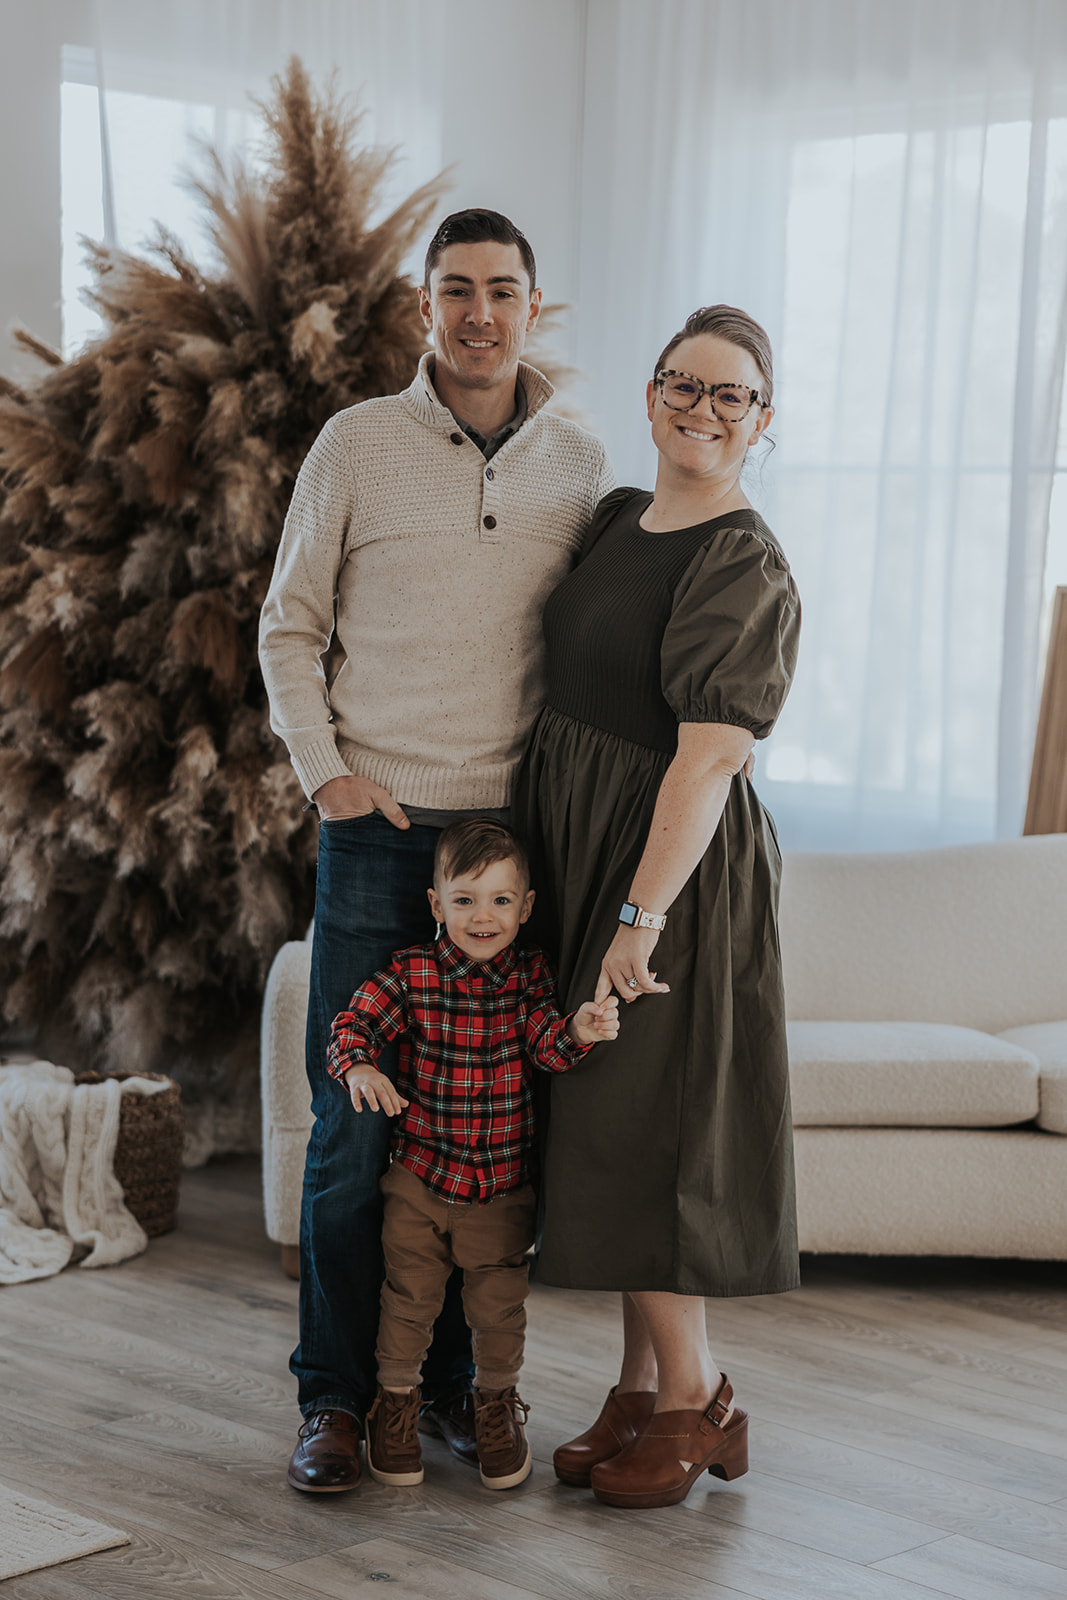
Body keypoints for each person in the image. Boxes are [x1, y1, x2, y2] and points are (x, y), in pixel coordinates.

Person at [258, 209, 615, 1493]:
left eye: (501, 291)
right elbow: (286, 626)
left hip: (508, 857)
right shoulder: (354, 444)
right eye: (454, 290)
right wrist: (329, 778)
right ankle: (337, 1404)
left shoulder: (577, 461)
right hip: (375, 837)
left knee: (489, 1133)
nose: (478, 313)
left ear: (533, 306)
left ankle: (458, 1392)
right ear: (423, 309)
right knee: (355, 1136)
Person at [511, 304, 801, 1511]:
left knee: (649, 1122)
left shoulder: (741, 559)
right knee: (601, 1122)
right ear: (650, 392)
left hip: (669, 876)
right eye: (683, 383)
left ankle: (696, 1401)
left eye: (730, 394)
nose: (700, 407)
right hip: (586, 851)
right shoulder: (619, 517)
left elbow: (705, 761)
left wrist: (638, 922)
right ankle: (634, 1387)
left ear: (762, 420)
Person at [325, 818, 619, 1491]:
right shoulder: (413, 972)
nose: (481, 917)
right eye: (464, 900)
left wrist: (579, 1028)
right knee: (407, 1302)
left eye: (498, 900)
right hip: (421, 1180)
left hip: (501, 1190)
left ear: (526, 907)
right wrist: (360, 1068)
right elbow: (354, 1022)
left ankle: (495, 1407)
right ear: (436, 906)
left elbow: (547, 1046)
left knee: (499, 1310)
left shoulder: (530, 977)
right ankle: (393, 1407)